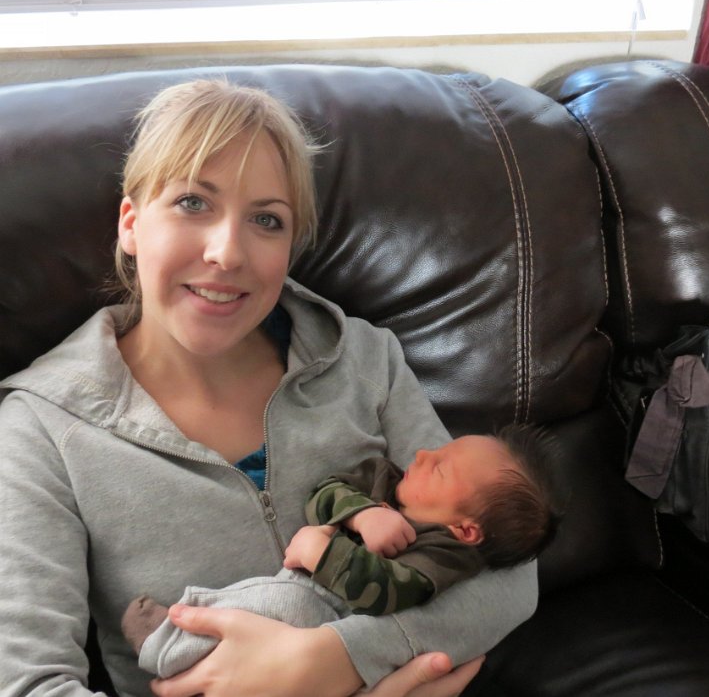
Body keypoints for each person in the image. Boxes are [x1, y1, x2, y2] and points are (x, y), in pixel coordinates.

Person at [0, 77, 539, 697]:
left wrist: (333, 661)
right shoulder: (42, 428)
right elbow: (30, 683)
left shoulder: (365, 360)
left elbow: (508, 571)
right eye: (192, 202)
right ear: (131, 223)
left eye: (266, 220)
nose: (228, 253)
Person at [122, 428, 562, 679]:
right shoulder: (384, 479)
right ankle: (182, 628)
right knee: (258, 598)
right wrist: (363, 514)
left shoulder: (446, 555)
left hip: (326, 613)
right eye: (438, 451)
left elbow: (387, 590)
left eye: (441, 468)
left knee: (279, 605)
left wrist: (322, 553)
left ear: (465, 530)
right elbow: (324, 492)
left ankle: (169, 645)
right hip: (297, 586)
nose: (423, 453)